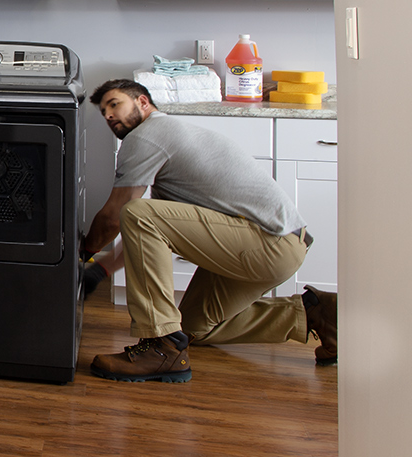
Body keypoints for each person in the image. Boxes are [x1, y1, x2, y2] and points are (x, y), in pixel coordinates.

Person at [82, 79, 337, 383]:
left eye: (115, 104)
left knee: (137, 212)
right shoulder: (171, 135)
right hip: (276, 244)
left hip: (268, 243)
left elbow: (115, 217)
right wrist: (100, 272)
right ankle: (316, 312)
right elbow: (145, 237)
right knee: (193, 329)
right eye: (103, 111)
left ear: (143, 102)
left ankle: (161, 347)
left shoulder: (147, 136)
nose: (109, 115)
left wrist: (82, 254)